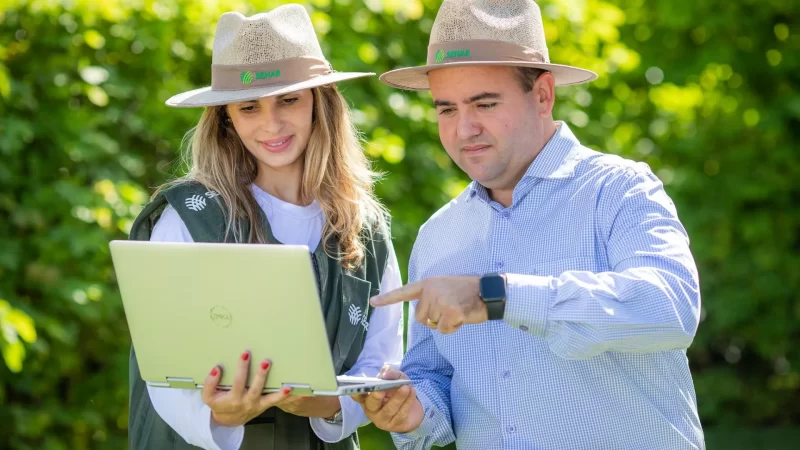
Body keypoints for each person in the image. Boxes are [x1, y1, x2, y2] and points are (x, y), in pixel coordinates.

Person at [353, 0, 705, 449]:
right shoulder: (437, 235)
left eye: (484, 103)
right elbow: (435, 383)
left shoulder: (620, 189)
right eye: (446, 110)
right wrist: (410, 409)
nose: (464, 129)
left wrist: (497, 294)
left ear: (543, 95)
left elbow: (669, 309)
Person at [125, 5, 403, 450]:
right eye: (250, 107)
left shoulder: (365, 228)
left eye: (289, 99)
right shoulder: (191, 216)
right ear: (227, 120)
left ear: (319, 102)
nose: (271, 124)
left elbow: (382, 361)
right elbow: (160, 363)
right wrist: (220, 415)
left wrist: (329, 405)